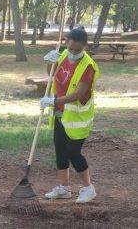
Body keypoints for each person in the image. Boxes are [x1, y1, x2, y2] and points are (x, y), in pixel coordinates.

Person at [40, 28, 99, 204]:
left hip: (77, 119)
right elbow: (51, 74)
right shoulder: (64, 54)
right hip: (60, 113)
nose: (73, 52)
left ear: (85, 46)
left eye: (77, 50)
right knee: (60, 151)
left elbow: (78, 94)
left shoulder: (88, 66)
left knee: (73, 152)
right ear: (66, 43)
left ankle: (88, 188)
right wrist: (51, 61)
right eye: (70, 48)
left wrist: (53, 100)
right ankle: (64, 188)